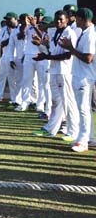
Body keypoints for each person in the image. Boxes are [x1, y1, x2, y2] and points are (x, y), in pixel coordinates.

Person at [33, 10, 79, 140]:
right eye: (57, 19)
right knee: (56, 102)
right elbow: (53, 50)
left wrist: (46, 56)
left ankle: (72, 132)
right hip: (54, 70)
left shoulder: (70, 33)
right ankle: (51, 128)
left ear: (67, 20)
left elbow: (68, 54)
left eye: (61, 19)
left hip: (64, 71)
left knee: (68, 103)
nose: (59, 22)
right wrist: (43, 46)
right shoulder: (55, 32)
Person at [60, 8, 95, 152]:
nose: (74, 20)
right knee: (84, 109)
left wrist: (71, 49)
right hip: (81, 75)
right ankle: (90, 138)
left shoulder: (90, 35)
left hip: (84, 77)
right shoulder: (85, 32)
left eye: (75, 18)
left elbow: (88, 58)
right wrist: (70, 47)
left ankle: (83, 141)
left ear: (81, 18)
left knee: (83, 109)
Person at [16, 14, 48, 117]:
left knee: (41, 82)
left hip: (41, 55)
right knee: (27, 80)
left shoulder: (44, 26)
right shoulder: (28, 26)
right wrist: (26, 24)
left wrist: (35, 26)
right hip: (29, 55)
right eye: (36, 15)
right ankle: (25, 102)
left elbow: (43, 37)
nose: (38, 17)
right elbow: (21, 36)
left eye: (41, 15)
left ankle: (40, 104)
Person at [0, 12, 18, 104]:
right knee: (1, 77)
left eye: (9, 19)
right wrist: (9, 37)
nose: (7, 21)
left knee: (13, 79)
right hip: (4, 56)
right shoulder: (4, 29)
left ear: (15, 19)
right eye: (6, 19)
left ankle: (14, 99)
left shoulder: (19, 29)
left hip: (14, 56)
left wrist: (10, 37)